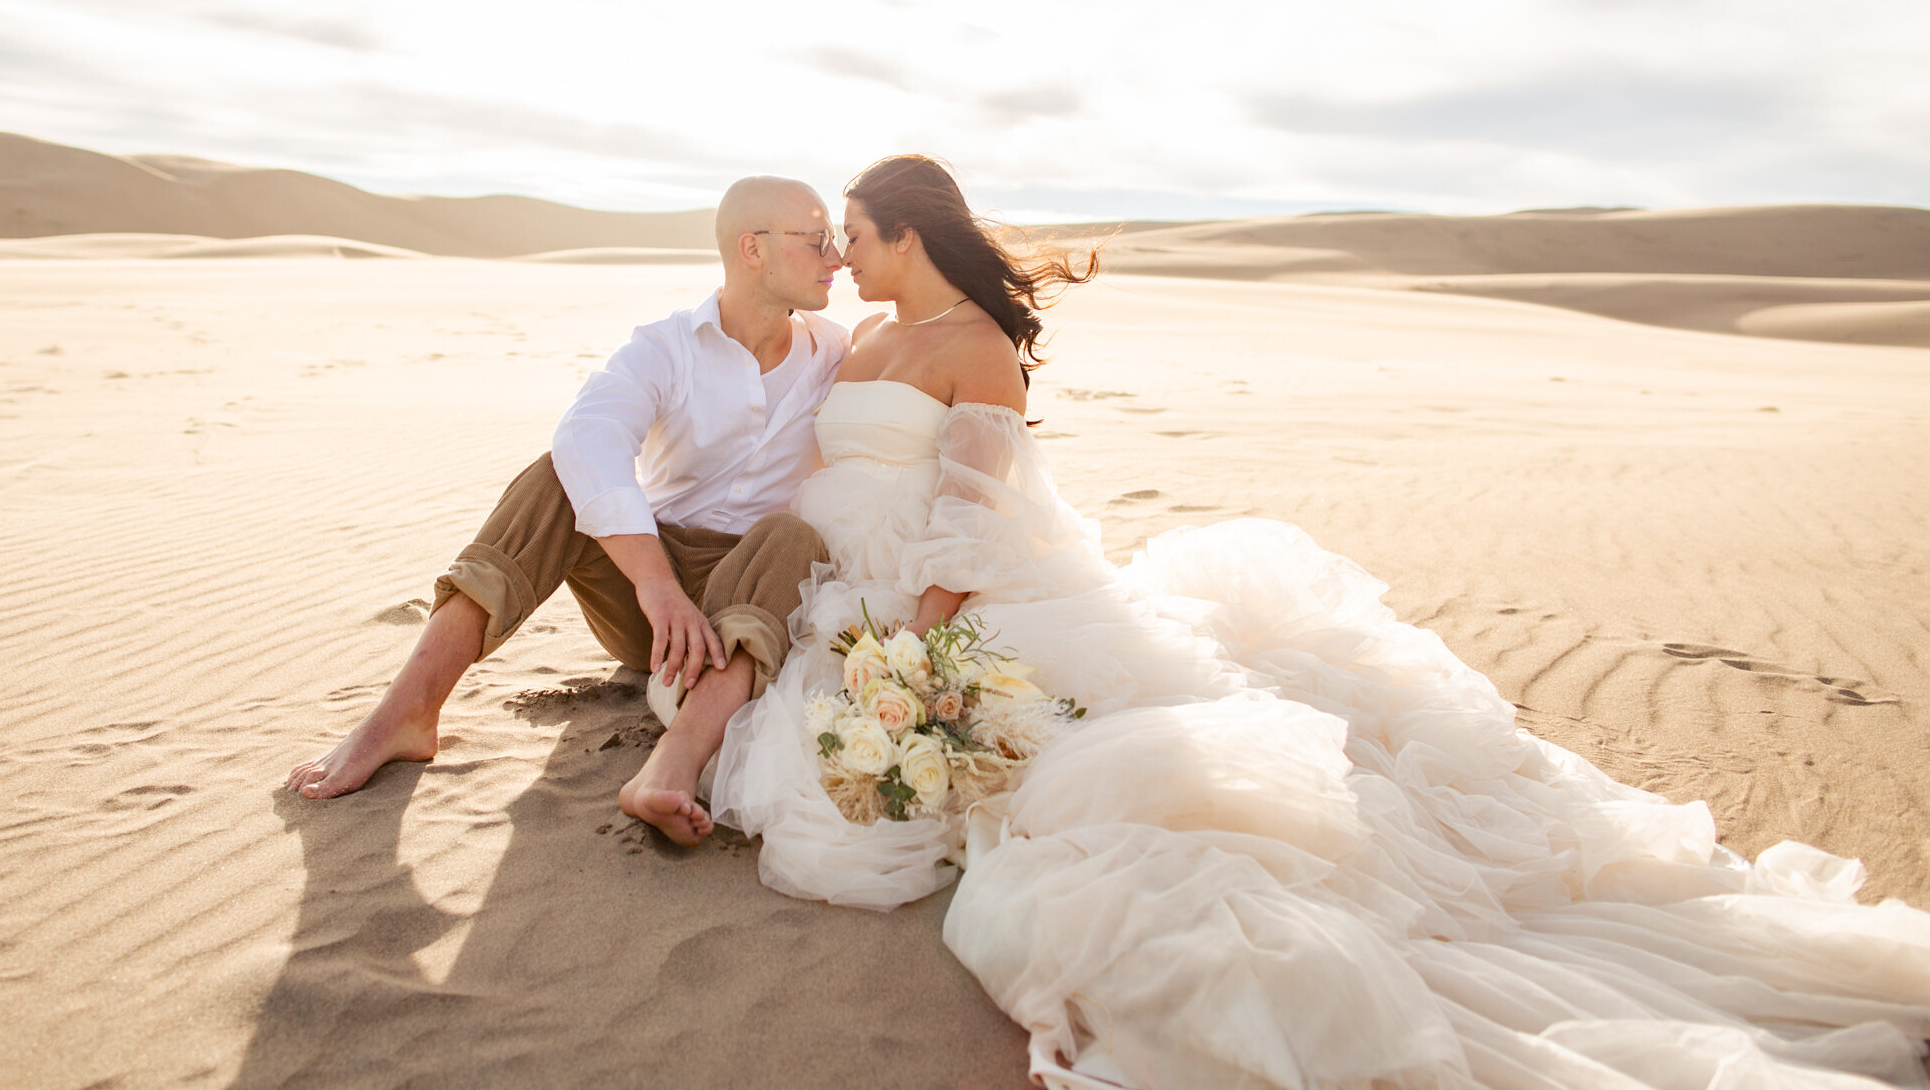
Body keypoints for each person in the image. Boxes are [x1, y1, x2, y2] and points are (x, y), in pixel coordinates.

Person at [711, 156, 1930, 1089]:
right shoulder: (859, 333)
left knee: (1030, 795)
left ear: (905, 232)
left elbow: (975, 524)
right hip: (838, 586)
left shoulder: (980, 349)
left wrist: (915, 647)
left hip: (941, 601)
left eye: (855, 237)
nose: (843, 256)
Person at [287, 176, 848, 845]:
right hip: (651, 606)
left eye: (836, 241)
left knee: (792, 534)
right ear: (752, 249)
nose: (835, 257)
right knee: (558, 474)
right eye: (817, 240)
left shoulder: (837, 352)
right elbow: (590, 435)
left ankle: (672, 764)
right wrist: (656, 584)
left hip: (754, 596)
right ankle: (407, 711)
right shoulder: (667, 345)